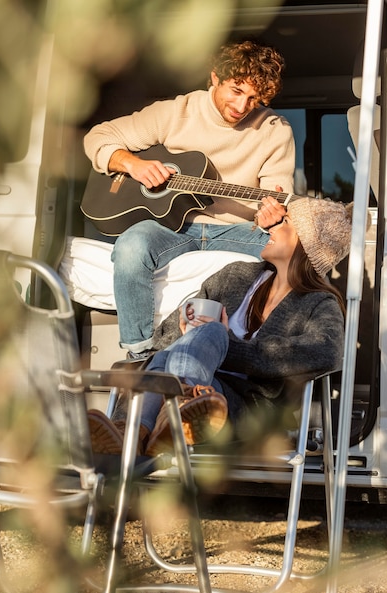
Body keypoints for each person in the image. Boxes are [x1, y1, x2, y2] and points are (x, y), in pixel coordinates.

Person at [88, 196, 354, 457]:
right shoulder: (236, 275)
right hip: (197, 395)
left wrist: (225, 344)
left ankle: (162, 416)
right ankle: (141, 430)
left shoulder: (319, 302)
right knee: (163, 357)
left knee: (209, 334)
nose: (271, 228)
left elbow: (326, 352)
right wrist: (185, 328)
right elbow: (165, 334)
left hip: (243, 408)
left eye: (284, 224)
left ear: (305, 243)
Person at [84, 41, 295, 359]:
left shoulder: (274, 130)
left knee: (293, 255)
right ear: (215, 78)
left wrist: (271, 218)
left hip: (235, 231)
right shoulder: (175, 112)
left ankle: (270, 360)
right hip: (170, 229)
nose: (242, 105)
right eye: (236, 91)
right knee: (130, 247)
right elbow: (97, 138)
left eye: (253, 98)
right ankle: (138, 353)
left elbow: (275, 196)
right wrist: (134, 165)